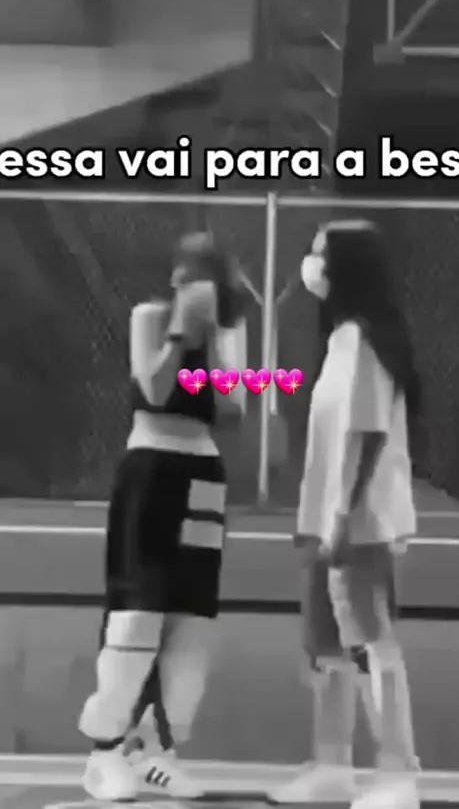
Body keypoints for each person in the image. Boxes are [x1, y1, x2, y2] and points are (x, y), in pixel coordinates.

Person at [79, 232, 246, 802]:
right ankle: (105, 750)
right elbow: (152, 388)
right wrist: (180, 332)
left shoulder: (229, 333)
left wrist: (213, 342)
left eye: (199, 276)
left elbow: (232, 407)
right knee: (137, 613)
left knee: (190, 620)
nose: (186, 284)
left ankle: (158, 747)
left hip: (201, 477)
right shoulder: (149, 318)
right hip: (150, 470)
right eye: (182, 273)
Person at [268, 220, 421, 809]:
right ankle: (332, 765)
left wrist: (339, 515)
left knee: (369, 641)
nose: (311, 265)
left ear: (347, 267)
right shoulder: (342, 340)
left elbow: (366, 433)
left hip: (357, 522)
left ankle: (397, 773)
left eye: (320, 254)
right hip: (330, 520)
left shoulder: (363, 341)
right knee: (328, 648)